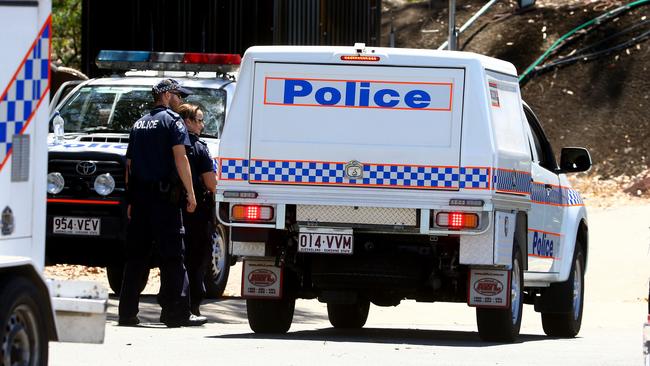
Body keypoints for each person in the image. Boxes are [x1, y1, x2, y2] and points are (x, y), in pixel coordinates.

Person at [118, 78, 207, 327]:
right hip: (165, 201)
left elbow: (130, 166)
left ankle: (126, 313)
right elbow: (181, 158)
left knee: (136, 257)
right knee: (172, 257)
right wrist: (190, 192)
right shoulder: (173, 121)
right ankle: (175, 313)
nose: (182, 101)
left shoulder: (139, 123)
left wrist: (131, 199)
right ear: (167, 95)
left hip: (141, 199)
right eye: (179, 95)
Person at [176, 103, 217, 316]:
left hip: (173, 207)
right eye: (199, 120)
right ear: (187, 122)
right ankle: (192, 306)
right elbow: (210, 183)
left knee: (176, 257)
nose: (202, 125)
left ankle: (176, 303)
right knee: (197, 258)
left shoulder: (171, 146)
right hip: (197, 211)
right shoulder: (199, 147)